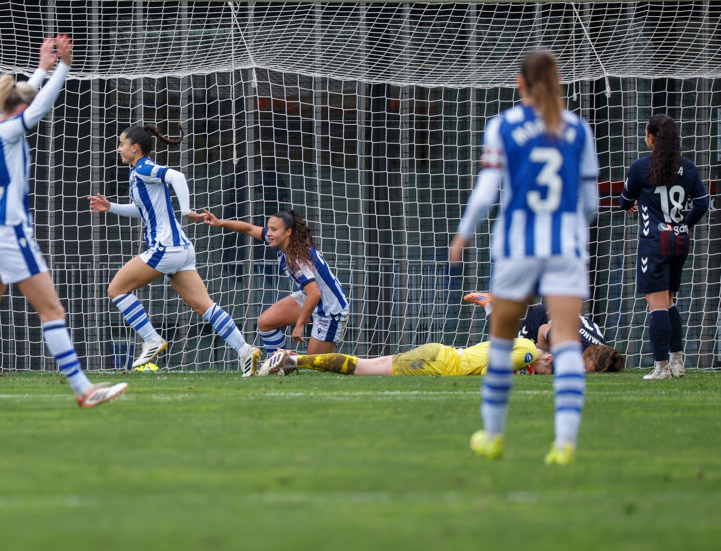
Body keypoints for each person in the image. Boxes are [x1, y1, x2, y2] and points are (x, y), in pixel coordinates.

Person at [0, 35, 128, 410]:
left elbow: (25, 97)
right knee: (52, 311)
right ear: (17, 107)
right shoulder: (10, 129)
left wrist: (42, 68)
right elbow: (37, 107)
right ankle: (84, 390)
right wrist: (64, 68)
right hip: (10, 233)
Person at [448, 50, 599, 465]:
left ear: (520, 84)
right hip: (565, 247)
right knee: (567, 342)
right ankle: (565, 442)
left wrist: (463, 233)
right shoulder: (578, 130)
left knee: (501, 344)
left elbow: (486, 191)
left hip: (517, 247)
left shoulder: (504, 126)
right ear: (556, 82)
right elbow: (590, 204)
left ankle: (493, 435)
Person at [87, 124, 261, 376]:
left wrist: (186, 210)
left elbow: (176, 177)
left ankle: (151, 340)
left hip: (165, 247)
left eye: (121, 144)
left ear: (135, 148)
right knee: (205, 307)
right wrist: (110, 206)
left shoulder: (144, 167)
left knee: (116, 289)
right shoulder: (137, 173)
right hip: (181, 249)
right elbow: (142, 210)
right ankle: (245, 350)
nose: (118, 149)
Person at [619, 114, 709, 380]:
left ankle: (660, 368)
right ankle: (677, 362)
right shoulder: (688, 167)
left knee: (656, 304)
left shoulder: (640, 167)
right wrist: (682, 225)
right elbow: (702, 204)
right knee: (669, 301)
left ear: (651, 138)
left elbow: (625, 200)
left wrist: (632, 205)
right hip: (680, 241)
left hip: (655, 243)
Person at [198, 209, 349, 356]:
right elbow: (248, 229)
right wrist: (220, 222)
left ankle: (289, 362)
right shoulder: (284, 242)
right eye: (268, 228)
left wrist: (299, 324)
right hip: (311, 298)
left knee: (314, 367)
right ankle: (281, 365)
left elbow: (315, 293)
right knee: (265, 322)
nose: (268, 233)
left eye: (274, 229)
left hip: (330, 310)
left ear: (288, 232)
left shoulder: (297, 258)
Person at [258, 339, 624, 377]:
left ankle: (293, 360)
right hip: (438, 364)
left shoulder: (524, 345)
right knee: (365, 368)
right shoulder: (528, 352)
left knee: (367, 364)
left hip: (439, 355)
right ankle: (292, 360)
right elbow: (496, 369)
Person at [463, 292, 607, 351]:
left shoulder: (602, 351)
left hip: (559, 313)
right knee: (511, 346)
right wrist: (543, 355)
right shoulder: (581, 346)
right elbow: (543, 329)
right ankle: (489, 305)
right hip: (544, 317)